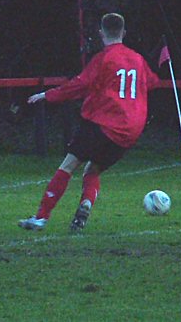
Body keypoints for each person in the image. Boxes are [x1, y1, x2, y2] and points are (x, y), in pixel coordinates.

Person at [18, 13, 161, 232]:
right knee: (92, 171)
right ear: (124, 33)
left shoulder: (104, 58)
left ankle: (41, 217)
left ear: (101, 33)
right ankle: (84, 206)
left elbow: (79, 85)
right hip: (130, 131)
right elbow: (152, 82)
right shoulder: (138, 59)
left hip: (104, 123)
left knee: (68, 164)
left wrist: (48, 95)